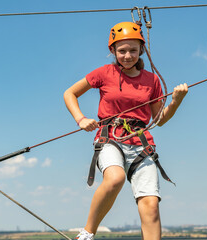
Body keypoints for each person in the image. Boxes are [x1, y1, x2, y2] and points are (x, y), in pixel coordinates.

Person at [64, 22, 188, 240]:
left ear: (142, 49)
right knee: (115, 178)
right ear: (112, 51)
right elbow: (70, 93)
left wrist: (176, 102)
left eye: (133, 50)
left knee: (150, 205)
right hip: (110, 138)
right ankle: (87, 233)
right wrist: (80, 119)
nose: (128, 55)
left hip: (141, 143)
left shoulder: (152, 80)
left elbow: (159, 120)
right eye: (122, 51)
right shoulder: (104, 73)